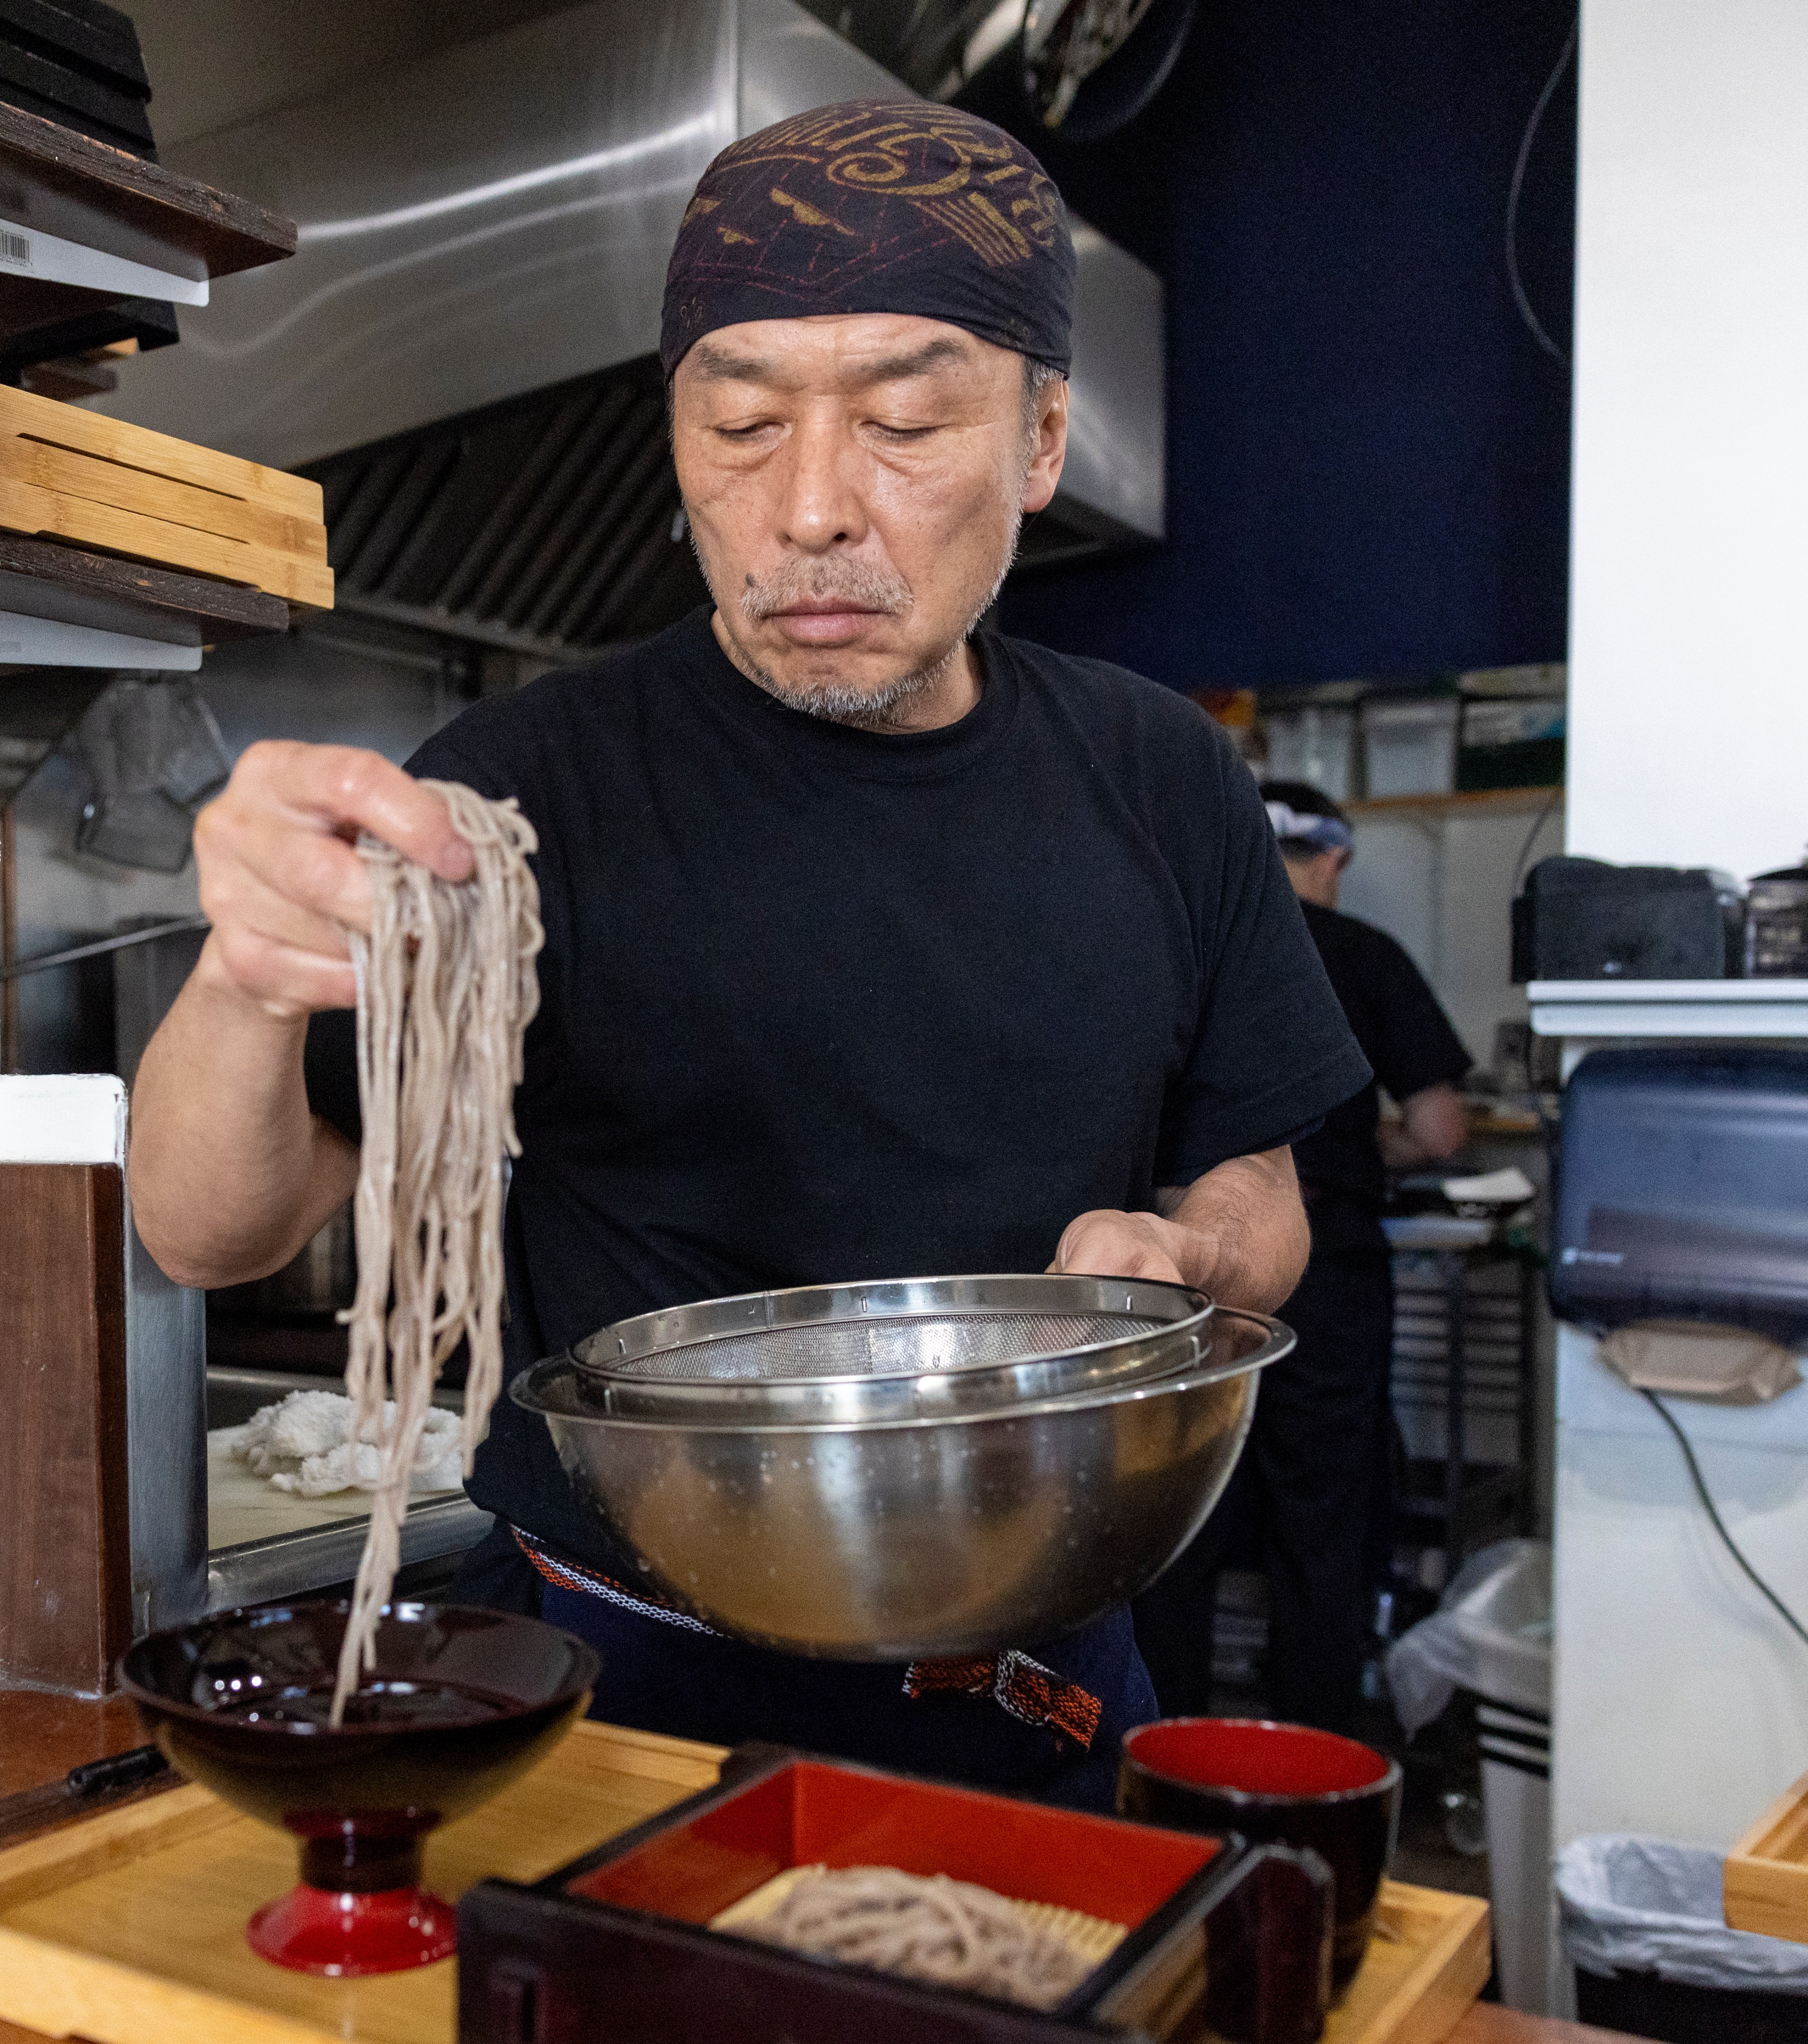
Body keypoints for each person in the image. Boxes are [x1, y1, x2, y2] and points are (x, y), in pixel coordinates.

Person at [129, 100, 1370, 1810]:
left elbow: (1265, 1185)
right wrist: (245, 979)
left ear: (1040, 440)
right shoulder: (511, 795)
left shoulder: (1162, 776)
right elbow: (210, 1225)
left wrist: (1179, 1255)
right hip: (627, 1682)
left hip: (1042, 1682)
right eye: (739, 423)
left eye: (908, 422)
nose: (809, 510)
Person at [1132, 780, 1472, 1734]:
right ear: (1333, 859)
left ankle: (1164, 1761)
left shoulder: (1173, 951)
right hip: (1324, 1265)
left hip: (1176, 1264)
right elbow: (1442, 1130)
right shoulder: (1364, 956)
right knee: (1322, 1522)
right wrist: (1363, 1153)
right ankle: (1307, 1765)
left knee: (1175, 1521)